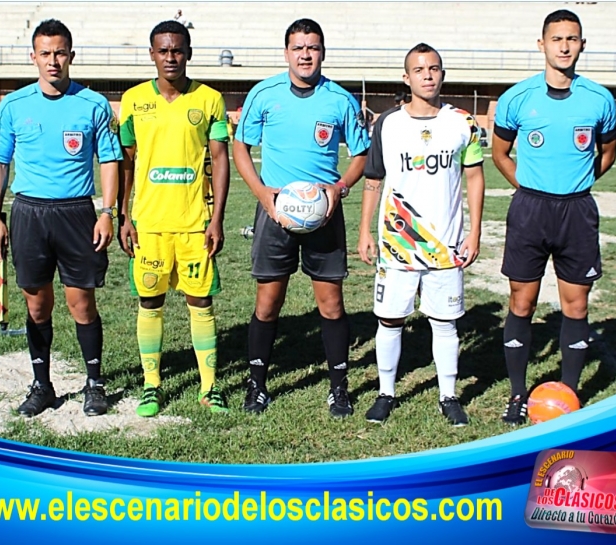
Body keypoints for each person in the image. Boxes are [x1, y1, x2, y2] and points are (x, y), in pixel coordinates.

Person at [233, 18, 370, 418]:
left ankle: (339, 389)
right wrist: (263, 194)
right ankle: (257, 385)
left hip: (324, 215)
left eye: (312, 47)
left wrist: (339, 188)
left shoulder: (340, 100)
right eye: (298, 47)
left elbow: (361, 155)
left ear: (322, 52)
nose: (305, 55)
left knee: (331, 304)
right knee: (267, 303)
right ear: (286, 53)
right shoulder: (264, 94)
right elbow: (240, 147)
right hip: (276, 211)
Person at [0, 19, 122, 417]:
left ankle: (94, 384)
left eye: (60, 53)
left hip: (77, 213)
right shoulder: (13, 106)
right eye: (45, 53)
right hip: (29, 213)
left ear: (71, 56)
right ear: (33, 57)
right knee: (37, 305)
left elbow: (109, 161)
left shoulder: (93, 104)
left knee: (81, 304)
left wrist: (107, 212)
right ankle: (42, 385)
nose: (53, 61)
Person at [492, 9, 616, 425]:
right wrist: (529, 187)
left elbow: (607, 153)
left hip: (577, 211)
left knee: (576, 305)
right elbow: (500, 153)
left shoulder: (599, 99)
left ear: (582, 44)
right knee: (521, 301)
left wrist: (576, 184)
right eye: (557, 38)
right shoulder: (517, 98)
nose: (564, 46)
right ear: (541, 44)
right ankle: (517, 394)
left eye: (572, 38)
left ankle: (569, 395)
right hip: (530, 209)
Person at [358, 43, 485, 425]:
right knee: (389, 319)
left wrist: (475, 232)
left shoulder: (462, 122)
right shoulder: (387, 123)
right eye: (419, 69)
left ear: (442, 74)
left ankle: (449, 396)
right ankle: (386, 392)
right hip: (397, 241)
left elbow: (474, 178)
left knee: (445, 323)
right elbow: (373, 179)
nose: (427, 75)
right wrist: (364, 230)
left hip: (445, 243)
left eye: (434, 68)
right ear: (406, 77)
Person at [118, 20, 230, 417]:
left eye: (177, 50)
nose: (171, 57)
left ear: (189, 53)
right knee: (150, 300)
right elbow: (126, 162)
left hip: (195, 223)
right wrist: (124, 215)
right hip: (149, 224)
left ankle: (209, 387)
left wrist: (217, 219)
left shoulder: (210, 99)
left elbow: (220, 159)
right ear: (152, 54)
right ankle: (152, 386)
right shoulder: (132, 100)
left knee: (200, 301)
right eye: (163, 51)